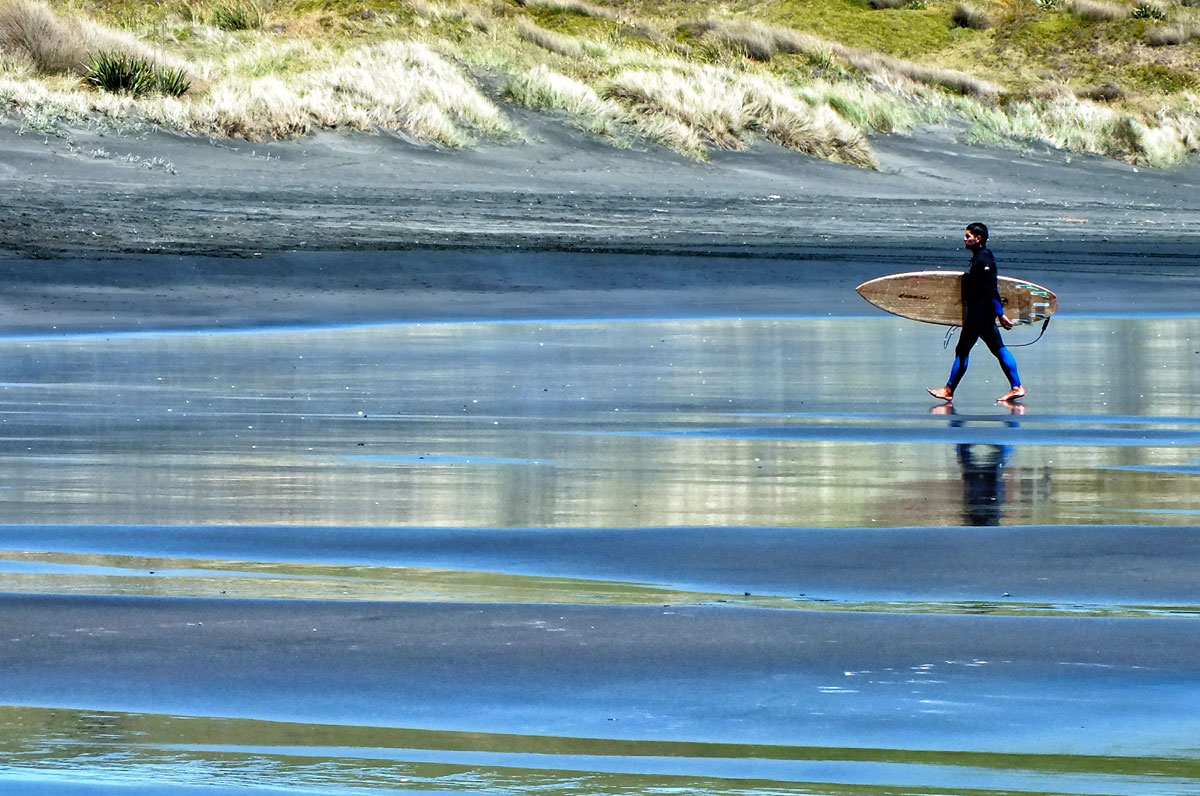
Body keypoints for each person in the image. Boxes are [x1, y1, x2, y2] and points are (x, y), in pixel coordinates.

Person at [927, 222, 1025, 403]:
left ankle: (949, 390)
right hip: (983, 313)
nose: (964, 239)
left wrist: (1000, 313)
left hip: (979, 313)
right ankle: (1016, 386)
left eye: (968, 236)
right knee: (998, 348)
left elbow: (991, 288)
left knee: (963, 350)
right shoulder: (981, 257)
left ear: (978, 238)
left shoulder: (983, 259)